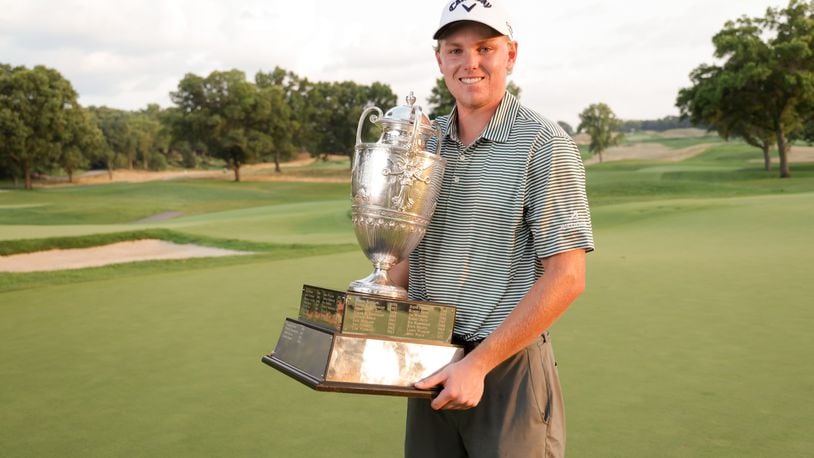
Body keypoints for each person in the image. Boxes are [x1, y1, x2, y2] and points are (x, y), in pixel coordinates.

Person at [388, 1, 595, 457]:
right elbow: (405, 252)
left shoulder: (543, 143)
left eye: (485, 47)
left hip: (506, 368)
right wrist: (371, 302)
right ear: (439, 59)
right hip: (429, 360)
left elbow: (567, 276)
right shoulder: (424, 142)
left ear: (511, 55)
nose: (471, 63)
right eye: (456, 49)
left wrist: (477, 365)